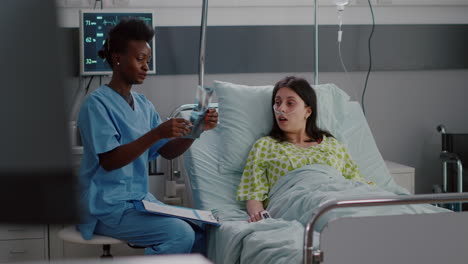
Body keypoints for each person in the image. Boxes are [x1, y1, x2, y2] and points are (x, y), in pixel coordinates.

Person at [76, 18, 218, 255]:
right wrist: (157, 132)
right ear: (117, 58)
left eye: (147, 61)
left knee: (203, 231)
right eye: (139, 59)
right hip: (106, 206)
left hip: (139, 201)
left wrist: (196, 130)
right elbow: (110, 161)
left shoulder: (143, 105)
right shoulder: (96, 105)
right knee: (180, 234)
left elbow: (166, 150)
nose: (145, 66)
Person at [236, 76, 372, 223]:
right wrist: (260, 217)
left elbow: (356, 181)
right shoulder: (265, 146)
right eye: (277, 103)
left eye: (290, 103)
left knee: (377, 209)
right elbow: (254, 194)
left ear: (307, 111)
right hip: (297, 204)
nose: (281, 109)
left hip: (340, 196)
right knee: (334, 216)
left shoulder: (333, 145)